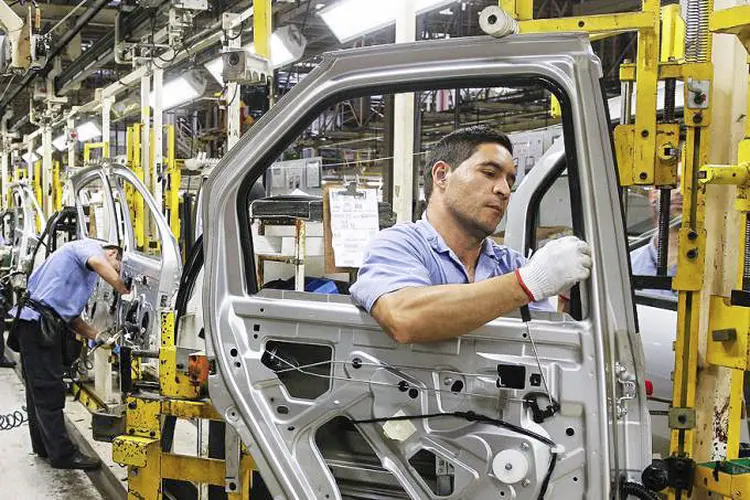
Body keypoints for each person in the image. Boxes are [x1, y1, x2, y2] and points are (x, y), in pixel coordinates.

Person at [350, 125, 592, 343]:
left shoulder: (510, 263)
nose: (504, 190)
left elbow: (544, 345)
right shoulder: (399, 245)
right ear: (441, 175)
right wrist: (527, 283)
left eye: (510, 181)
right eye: (489, 173)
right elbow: (404, 318)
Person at [8, 239, 130, 470]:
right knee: (48, 391)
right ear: (112, 253)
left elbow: (71, 318)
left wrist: (97, 335)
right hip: (37, 325)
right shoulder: (90, 249)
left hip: (37, 324)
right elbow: (98, 262)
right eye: (117, 268)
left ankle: (44, 446)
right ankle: (62, 455)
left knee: (38, 391)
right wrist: (123, 287)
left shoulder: (81, 270)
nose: (115, 274)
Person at [630, 187, 682, 298]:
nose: (681, 191)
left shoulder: (718, 270)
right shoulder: (629, 265)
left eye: (692, 183)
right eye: (675, 183)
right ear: (652, 194)